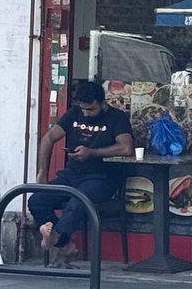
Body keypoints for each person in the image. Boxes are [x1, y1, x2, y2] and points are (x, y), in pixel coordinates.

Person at [29, 80, 133, 265]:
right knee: (37, 200)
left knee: (77, 200)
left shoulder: (116, 118)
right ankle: (64, 243)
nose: (85, 113)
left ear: (102, 103)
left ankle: (56, 238)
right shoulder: (74, 113)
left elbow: (126, 148)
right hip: (71, 175)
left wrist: (92, 153)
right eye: (83, 109)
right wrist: (42, 173)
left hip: (102, 178)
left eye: (91, 109)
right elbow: (48, 139)